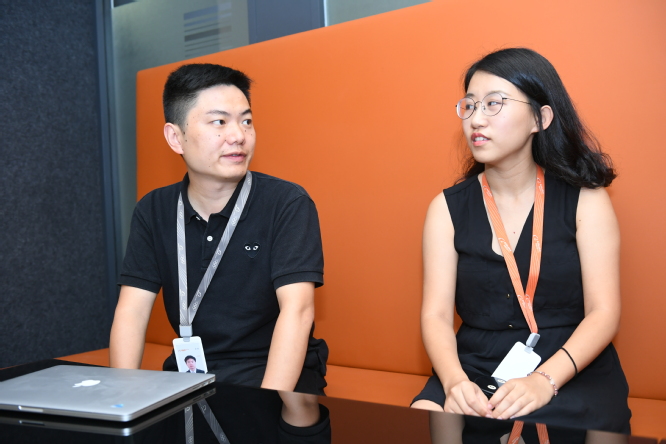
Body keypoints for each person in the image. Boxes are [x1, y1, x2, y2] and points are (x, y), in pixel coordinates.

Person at [411, 48, 631, 433]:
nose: (476, 118)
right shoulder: (445, 209)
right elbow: (436, 316)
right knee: (423, 415)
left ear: (540, 118)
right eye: (470, 105)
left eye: (494, 103)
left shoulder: (586, 201)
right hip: (474, 363)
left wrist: (544, 381)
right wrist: (454, 381)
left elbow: (604, 313)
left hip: (571, 363)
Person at [109, 63, 327, 396]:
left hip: (276, 375)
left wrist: (265, 405)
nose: (238, 136)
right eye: (219, 122)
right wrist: (121, 399)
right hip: (189, 374)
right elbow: (132, 311)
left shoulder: (286, 203)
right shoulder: (153, 209)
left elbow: (297, 311)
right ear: (176, 137)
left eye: (246, 121)